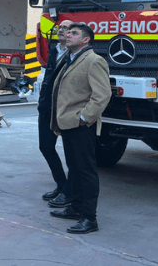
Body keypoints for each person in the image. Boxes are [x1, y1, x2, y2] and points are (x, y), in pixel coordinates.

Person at [49, 22, 111, 234]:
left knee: (86, 172)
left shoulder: (93, 61)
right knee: (74, 169)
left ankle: (89, 218)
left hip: (80, 125)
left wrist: (84, 117)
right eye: (68, 32)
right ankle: (75, 208)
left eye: (74, 33)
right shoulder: (70, 59)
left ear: (86, 40)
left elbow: (102, 94)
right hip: (67, 123)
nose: (68, 35)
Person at [37, 20, 73, 208]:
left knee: (71, 153)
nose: (61, 30)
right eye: (60, 27)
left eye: (66, 28)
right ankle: (61, 183)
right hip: (47, 107)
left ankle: (69, 191)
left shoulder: (76, 54)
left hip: (65, 110)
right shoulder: (53, 49)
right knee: (45, 147)